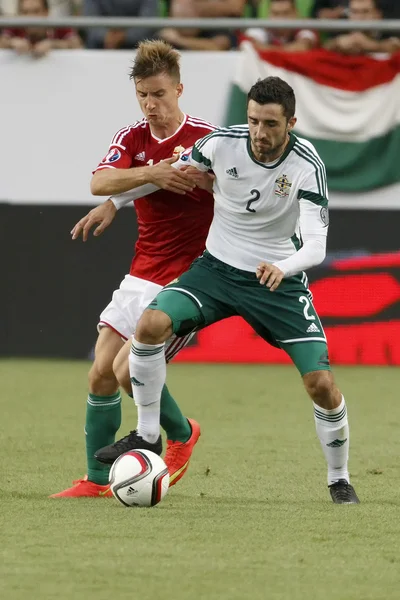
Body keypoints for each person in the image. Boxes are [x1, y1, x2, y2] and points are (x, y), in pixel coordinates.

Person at [96, 76, 360, 504]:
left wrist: (282, 267)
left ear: (290, 122)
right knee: (150, 324)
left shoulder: (307, 164)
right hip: (216, 271)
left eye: (271, 124)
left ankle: (339, 478)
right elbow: (168, 176)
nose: (259, 132)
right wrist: (115, 200)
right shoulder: (221, 144)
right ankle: (147, 435)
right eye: (253, 120)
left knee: (321, 385)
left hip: (277, 281)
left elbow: (315, 245)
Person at [50, 40, 216, 498]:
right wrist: (136, 185)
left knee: (128, 373)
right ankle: (96, 480)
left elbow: (238, 188)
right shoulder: (132, 137)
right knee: (101, 372)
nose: (151, 104)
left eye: (160, 94)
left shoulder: (208, 139)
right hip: (142, 270)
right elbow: (98, 180)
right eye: (143, 94)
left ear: (180, 90)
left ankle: (182, 433)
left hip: (192, 277)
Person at [0, 0, 82, 55]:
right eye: (25, 12)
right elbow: (2, 42)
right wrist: (11, 42)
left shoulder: (57, 25)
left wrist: (53, 44)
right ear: (20, 14)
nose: (30, 17)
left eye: (36, 11)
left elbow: (77, 44)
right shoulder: (15, 26)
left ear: (46, 12)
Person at [324, 0, 400, 54]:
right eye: (355, 11)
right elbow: (326, 46)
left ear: (378, 14)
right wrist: (338, 43)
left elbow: (395, 45)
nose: (359, 17)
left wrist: (373, 46)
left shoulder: (388, 27)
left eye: (365, 11)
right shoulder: (342, 27)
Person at [245, 0, 319, 52]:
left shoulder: (305, 27)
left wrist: (266, 48)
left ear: (295, 14)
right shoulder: (262, 29)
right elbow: (252, 46)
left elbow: (302, 47)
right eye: (276, 14)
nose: (280, 19)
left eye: (285, 13)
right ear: (269, 15)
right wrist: (289, 49)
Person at [82, 0, 158, 50]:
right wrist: (106, 36)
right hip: (98, 45)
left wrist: (123, 36)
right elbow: (90, 19)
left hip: (139, 47)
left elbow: (148, 22)